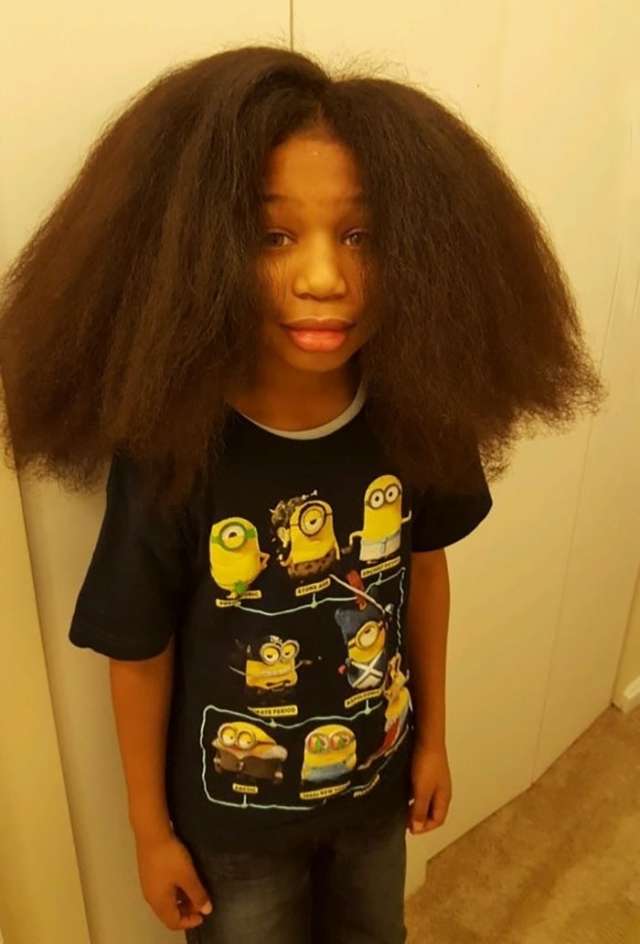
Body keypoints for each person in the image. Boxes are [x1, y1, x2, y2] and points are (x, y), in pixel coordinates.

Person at [0, 44, 606, 944]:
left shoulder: (416, 412)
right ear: (194, 252)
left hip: (375, 789)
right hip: (233, 824)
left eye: (360, 236)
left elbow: (423, 572)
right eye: (273, 235)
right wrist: (150, 832)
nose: (323, 277)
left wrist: (433, 739)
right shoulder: (172, 450)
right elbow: (138, 650)